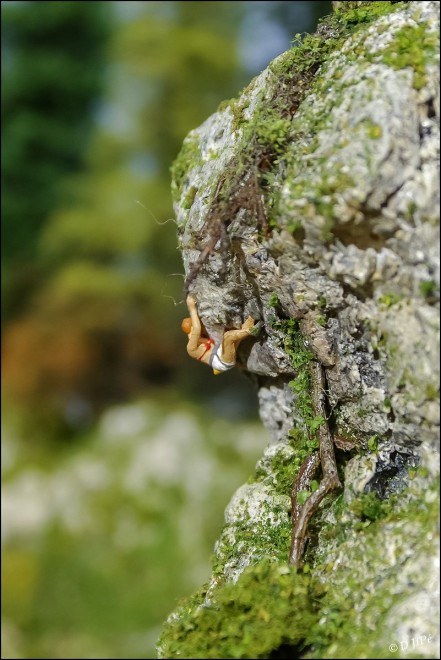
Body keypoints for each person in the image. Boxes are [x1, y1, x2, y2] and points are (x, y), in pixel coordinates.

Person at [182, 295, 255, 375]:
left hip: (220, 352)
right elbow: (196, 329)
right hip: (220, 361)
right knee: (228, 337)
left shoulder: (203, 339)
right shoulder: (191, 349)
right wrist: (192, 308)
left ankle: (253, 316)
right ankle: (251, 330)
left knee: (236, 331)